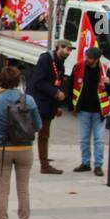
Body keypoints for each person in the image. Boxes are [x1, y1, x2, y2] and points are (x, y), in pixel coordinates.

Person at [0, 65, 42, 219]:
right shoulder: (28, 100)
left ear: (1, 81)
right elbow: (38, 125)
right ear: (18, 81)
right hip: (25, 148)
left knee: (3, 189)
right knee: (23, 189)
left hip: (2, 149)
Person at [29, 40, 72, 174]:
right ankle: (20, 158)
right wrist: (55, 93)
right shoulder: (46, 59)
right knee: (29, 132)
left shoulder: (60, 63)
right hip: (38, 102)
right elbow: (38, 82)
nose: (69, 53)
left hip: (48, 104)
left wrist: (58, 105)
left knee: (44, 134)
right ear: (59, 47)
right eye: (67, 49)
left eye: (70, 50)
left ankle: (44, 164)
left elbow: (57, 83)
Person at [72, 46, 110, 176]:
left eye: (90, 58)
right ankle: (85, 163)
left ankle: (98, 165)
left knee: (99, 139)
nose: (87, 59)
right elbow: (73, 85)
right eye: (86, 56)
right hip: (84, 110)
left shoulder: (105, 70)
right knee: (84, 139)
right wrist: (73, 106)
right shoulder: (79, 67)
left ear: (96, 59)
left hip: (99, 112)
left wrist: (109, 84)